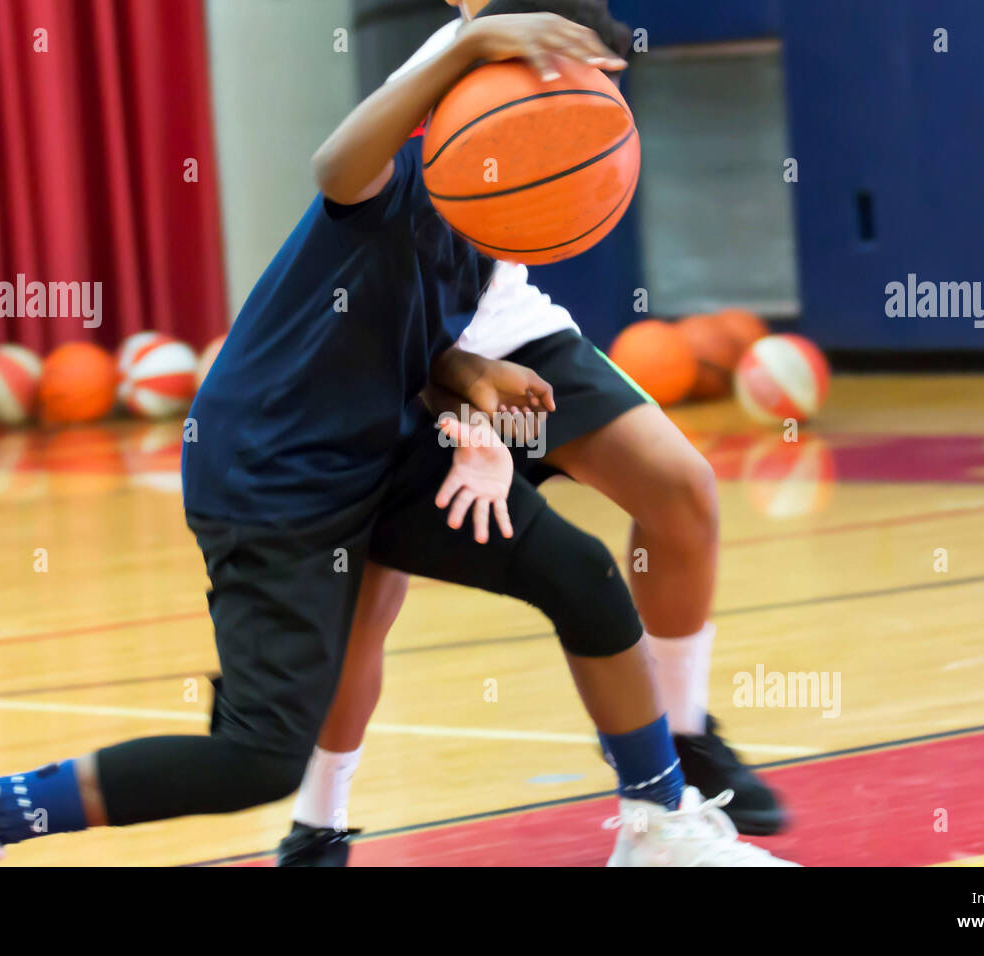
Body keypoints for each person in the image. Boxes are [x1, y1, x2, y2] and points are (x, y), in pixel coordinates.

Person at [0, 3, 791, 868]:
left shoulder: (488, 220)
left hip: (381, 458)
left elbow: (409, 339)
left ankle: (660, 826)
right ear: (491, 95)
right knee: (256, 757)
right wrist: (468, 45)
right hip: (273, 475)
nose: (593, 126)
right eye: (571, 97)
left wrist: (468, 386)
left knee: (582, 577)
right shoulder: (393, 181)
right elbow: (334, 167)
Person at [276, 0, 787, 868]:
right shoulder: (455, 51)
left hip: (510, 329)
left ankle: (683, 739)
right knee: (367, 600)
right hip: (409, 349)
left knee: (682, 488)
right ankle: (318, 825)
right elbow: (337, 170)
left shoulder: (561, 33)